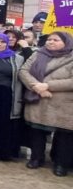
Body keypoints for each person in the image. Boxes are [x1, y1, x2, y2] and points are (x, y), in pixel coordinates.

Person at [19, 32, 73, 176]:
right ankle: (37, 158)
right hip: (38, 98)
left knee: (64, 135)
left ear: (66, 42)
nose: (51, 42)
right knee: (37, 131)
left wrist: (48, 85)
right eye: (49, 39)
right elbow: (24, 71)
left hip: (63, 103)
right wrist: (37, 86)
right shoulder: (38, 54)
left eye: (56, 40)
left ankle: (61, 163)